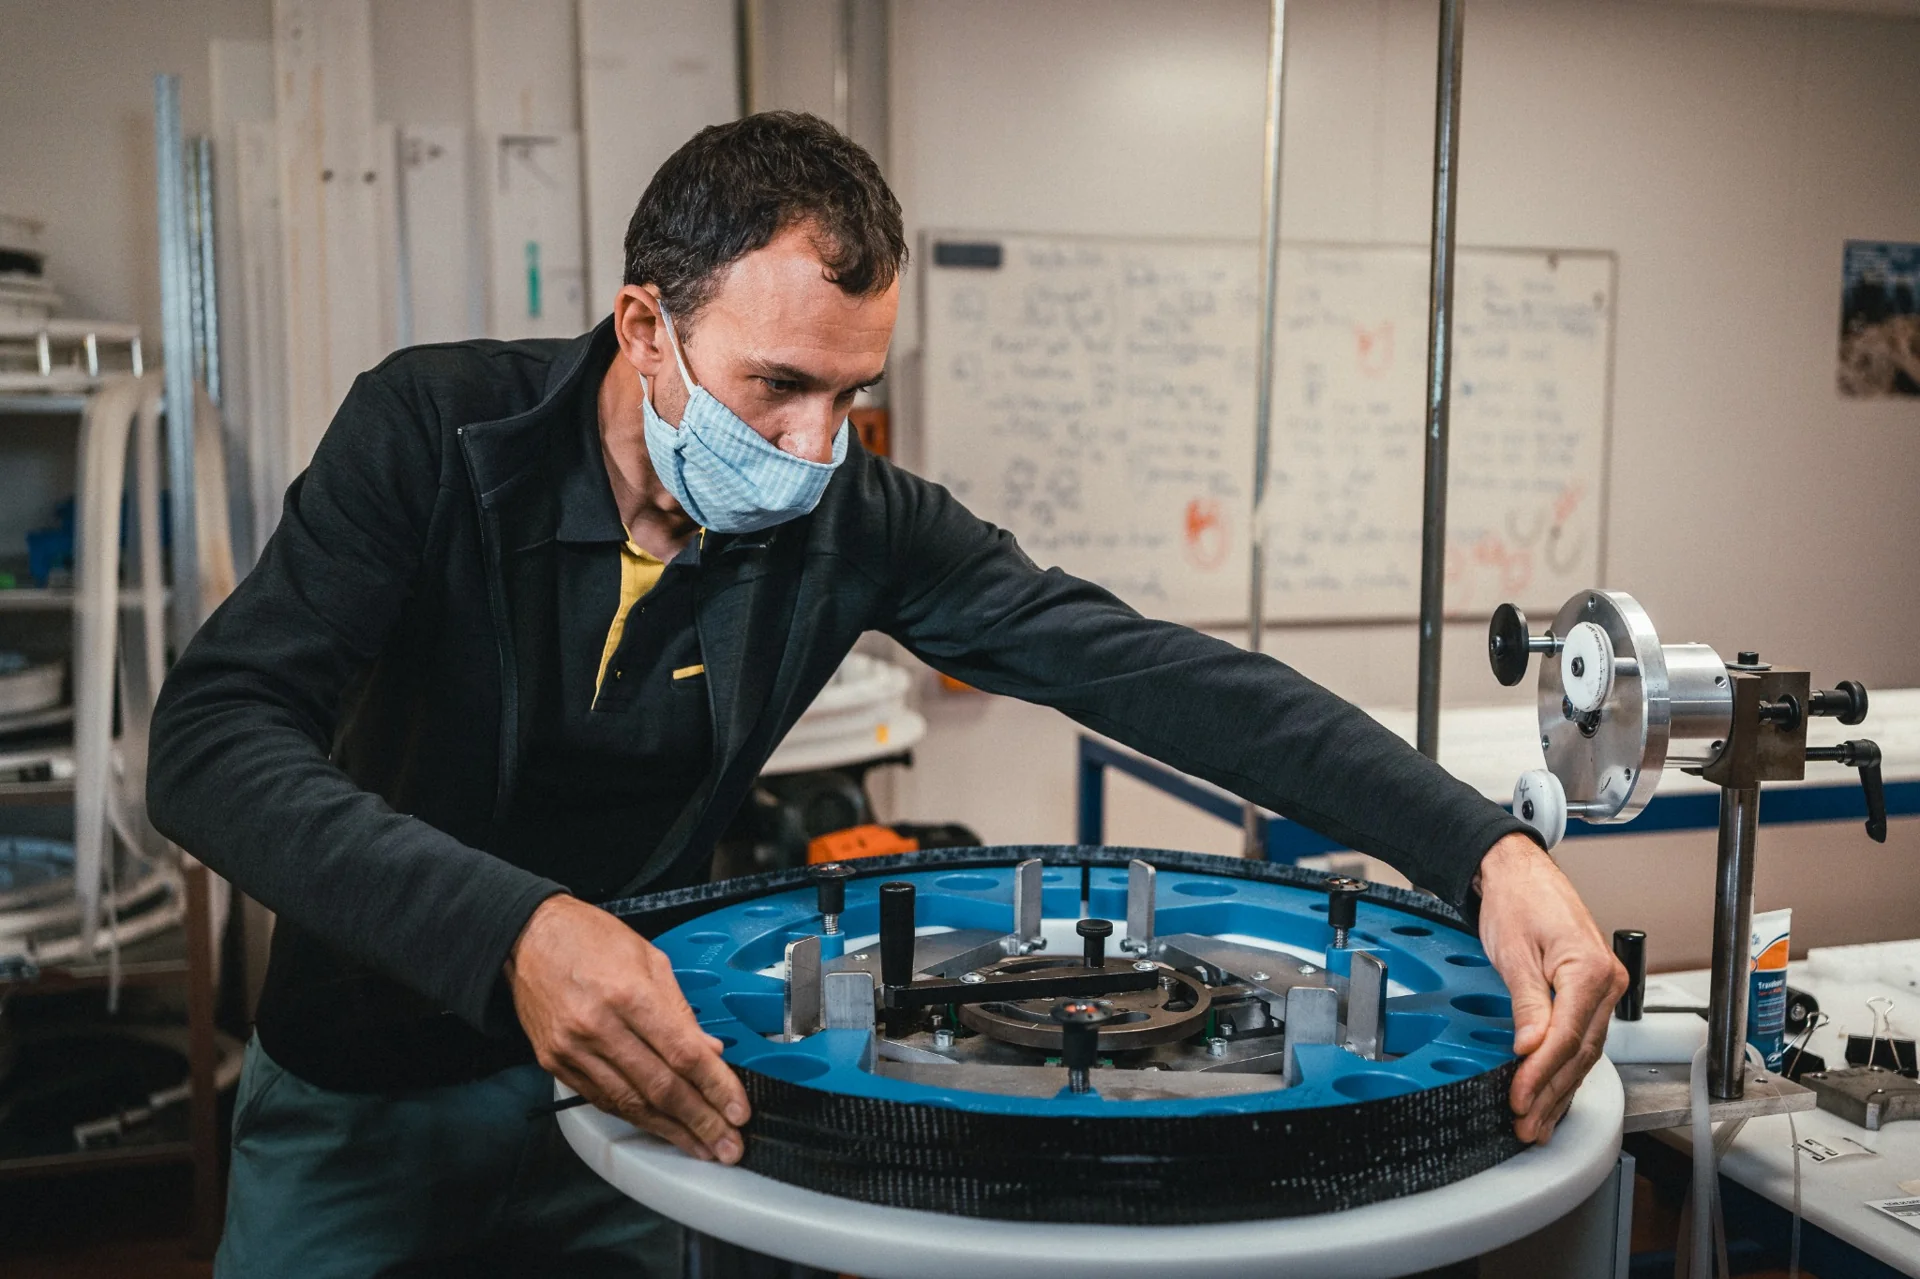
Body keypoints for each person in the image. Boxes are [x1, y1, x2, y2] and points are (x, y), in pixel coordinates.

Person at [149, 111, 1625, 1276]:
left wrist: (1482, 850)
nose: (815, 445)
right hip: (360, 1089)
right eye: (778, 385)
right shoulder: (429, 431)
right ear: (644, 326)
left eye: (852, 395)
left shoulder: (852, 519)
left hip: (642, 1086)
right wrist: (515, 934)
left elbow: (1155, 671)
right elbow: (212, 743)